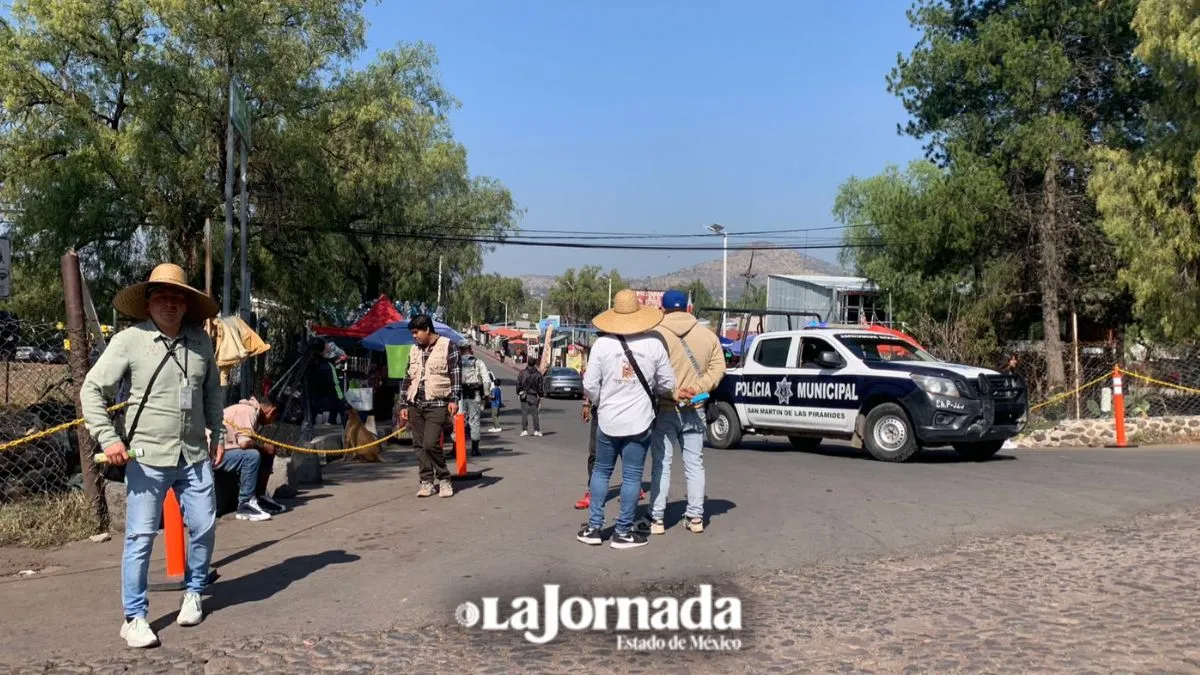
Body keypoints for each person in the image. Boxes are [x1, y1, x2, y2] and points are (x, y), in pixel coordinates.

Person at [80, 263, 224, 649]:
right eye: (162, 296)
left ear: (187, 305)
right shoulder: (129, 341)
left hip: (193, 454)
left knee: (205, 526)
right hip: (146, 457)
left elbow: (212, 392)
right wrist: (108, 438)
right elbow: (92, 389)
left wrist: (219, 432)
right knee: (141, 536)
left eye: (179, 297)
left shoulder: (200, 342)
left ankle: (194, 591)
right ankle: (134, 616)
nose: (171, 304)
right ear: (148, 303)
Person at [577, 290, 676, 550]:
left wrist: (601, 402)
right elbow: (667, 384)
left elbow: (589, 384)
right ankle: (622, 532)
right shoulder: (654, 343)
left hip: (608, 420)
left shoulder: (602, 345)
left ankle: (594, 527)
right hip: (640, 421)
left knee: (601, 471)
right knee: (632, 477)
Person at [641, 289, 726, 535]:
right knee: (694, 464)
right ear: (689, 308)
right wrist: (697, 388)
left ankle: (656, 519)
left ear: (663, 309)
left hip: (666, 408)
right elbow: (718, 368)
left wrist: (674, 392)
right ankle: (696, 517)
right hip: (696, 408)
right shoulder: (708, 336)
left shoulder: (655, 336)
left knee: (662, 464)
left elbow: (650, 373)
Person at [399, 314, 461, 498]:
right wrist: (403, 404)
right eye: (412, 333)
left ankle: (444, 479)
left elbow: (455, 374)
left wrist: (454, 399)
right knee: (419, 445)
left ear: (427, 329)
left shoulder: (448, 346)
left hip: (438, 403)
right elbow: (407, 377)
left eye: (416, 332)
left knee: (430, 443)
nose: (414, 336)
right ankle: (426, 481)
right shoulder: (414, 350)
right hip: (415, 404)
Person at [215, 394, 286, 521]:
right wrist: (264, 448)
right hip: (214, 455)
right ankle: (246, 504)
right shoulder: (248, 411)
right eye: (273, 418)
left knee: (264, 453)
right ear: (272, 410)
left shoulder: (250, 411)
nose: (270, 423)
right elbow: (245, 443)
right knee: (252, 456)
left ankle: (259, 498)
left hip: (223, 450)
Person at [459, 342, 493, 457]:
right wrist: (487, 394)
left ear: (460, 350)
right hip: (474, 395)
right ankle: (474, 449)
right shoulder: (478, 362)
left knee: (458, 422)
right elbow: (486, 380)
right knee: (474, 422)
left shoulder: (456, 362)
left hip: (460, 396)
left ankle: (456, 448)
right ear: (470, 350)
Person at [517, 358, 544, 437]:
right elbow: (540, 386)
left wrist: (518, 392)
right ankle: (536, 430)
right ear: (535, 364)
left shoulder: (522, 373)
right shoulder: (538, 374)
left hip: (524, 394)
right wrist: (540, 395)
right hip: (533, 395)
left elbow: (518, 383)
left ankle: (524, 430)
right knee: (535, 414)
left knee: (524, 413)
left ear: (527, 363)